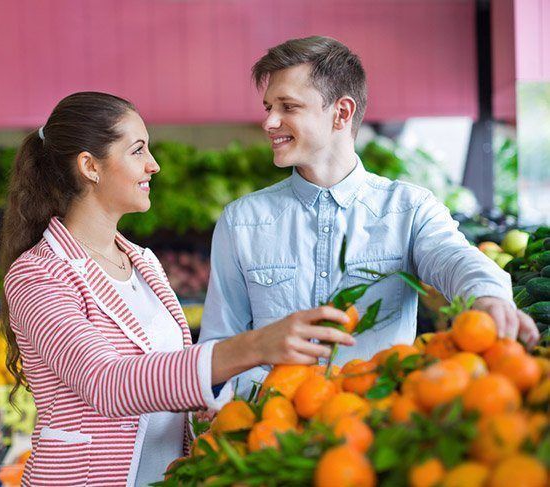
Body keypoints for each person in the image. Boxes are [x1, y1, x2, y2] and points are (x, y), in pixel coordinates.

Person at [0, 92, 355, 486]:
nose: (154, 165)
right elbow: (107, 382)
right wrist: (255, 346)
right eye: (138, 151)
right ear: (90, 166)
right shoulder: (38, 275)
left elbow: (168, 373)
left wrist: (206, 400)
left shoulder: (142, 262)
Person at [199, 36, 540, 397]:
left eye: (288, 107)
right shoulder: (241, 221)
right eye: (269, 106)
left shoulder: (409, 208)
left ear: (342, 113)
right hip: (270, 434)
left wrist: (486, 295)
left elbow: (454, 258)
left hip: (374, 428)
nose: (269, 121)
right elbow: (222, 340)